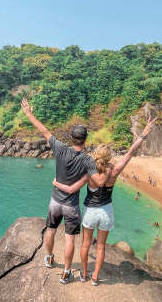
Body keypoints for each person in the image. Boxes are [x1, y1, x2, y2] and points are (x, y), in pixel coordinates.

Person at [53, 116, 157, 286]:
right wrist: (143, 134)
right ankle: (95, 278)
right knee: (101, 246)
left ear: (96, 155)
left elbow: (71, 176)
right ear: (108, 157)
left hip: (90, 212)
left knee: (86, 245)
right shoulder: (114, 170)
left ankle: (84, 274)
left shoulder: (89, 170)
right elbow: (130, 153)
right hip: (107, 212)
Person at [21, 99, 110, 284]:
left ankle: (50, 258)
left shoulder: (60, 148)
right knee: (69, 240)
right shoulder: (87, 160)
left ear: (71, 138)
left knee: (51, 231)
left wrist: (29, 113)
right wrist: (95, 174)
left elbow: (44, 131)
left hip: (55, 201)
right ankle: (67, 272)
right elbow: (101, 182)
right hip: (71, 205)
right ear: (85, 140)